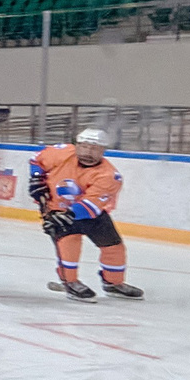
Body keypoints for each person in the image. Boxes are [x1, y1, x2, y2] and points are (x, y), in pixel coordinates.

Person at [31, 128, 140, 300]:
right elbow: (36, 161)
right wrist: (36, 178)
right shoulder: (62, 153)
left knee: (113, 247)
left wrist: (67, 216)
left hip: (89, 214)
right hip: (57, 209)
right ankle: (70, 282)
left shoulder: (109, 175)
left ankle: (113, 283)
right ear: (77, 145)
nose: (88, 152)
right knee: (69, 245)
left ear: (103, 151)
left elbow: (90, 205)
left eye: (95, 149)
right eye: (84, 147)